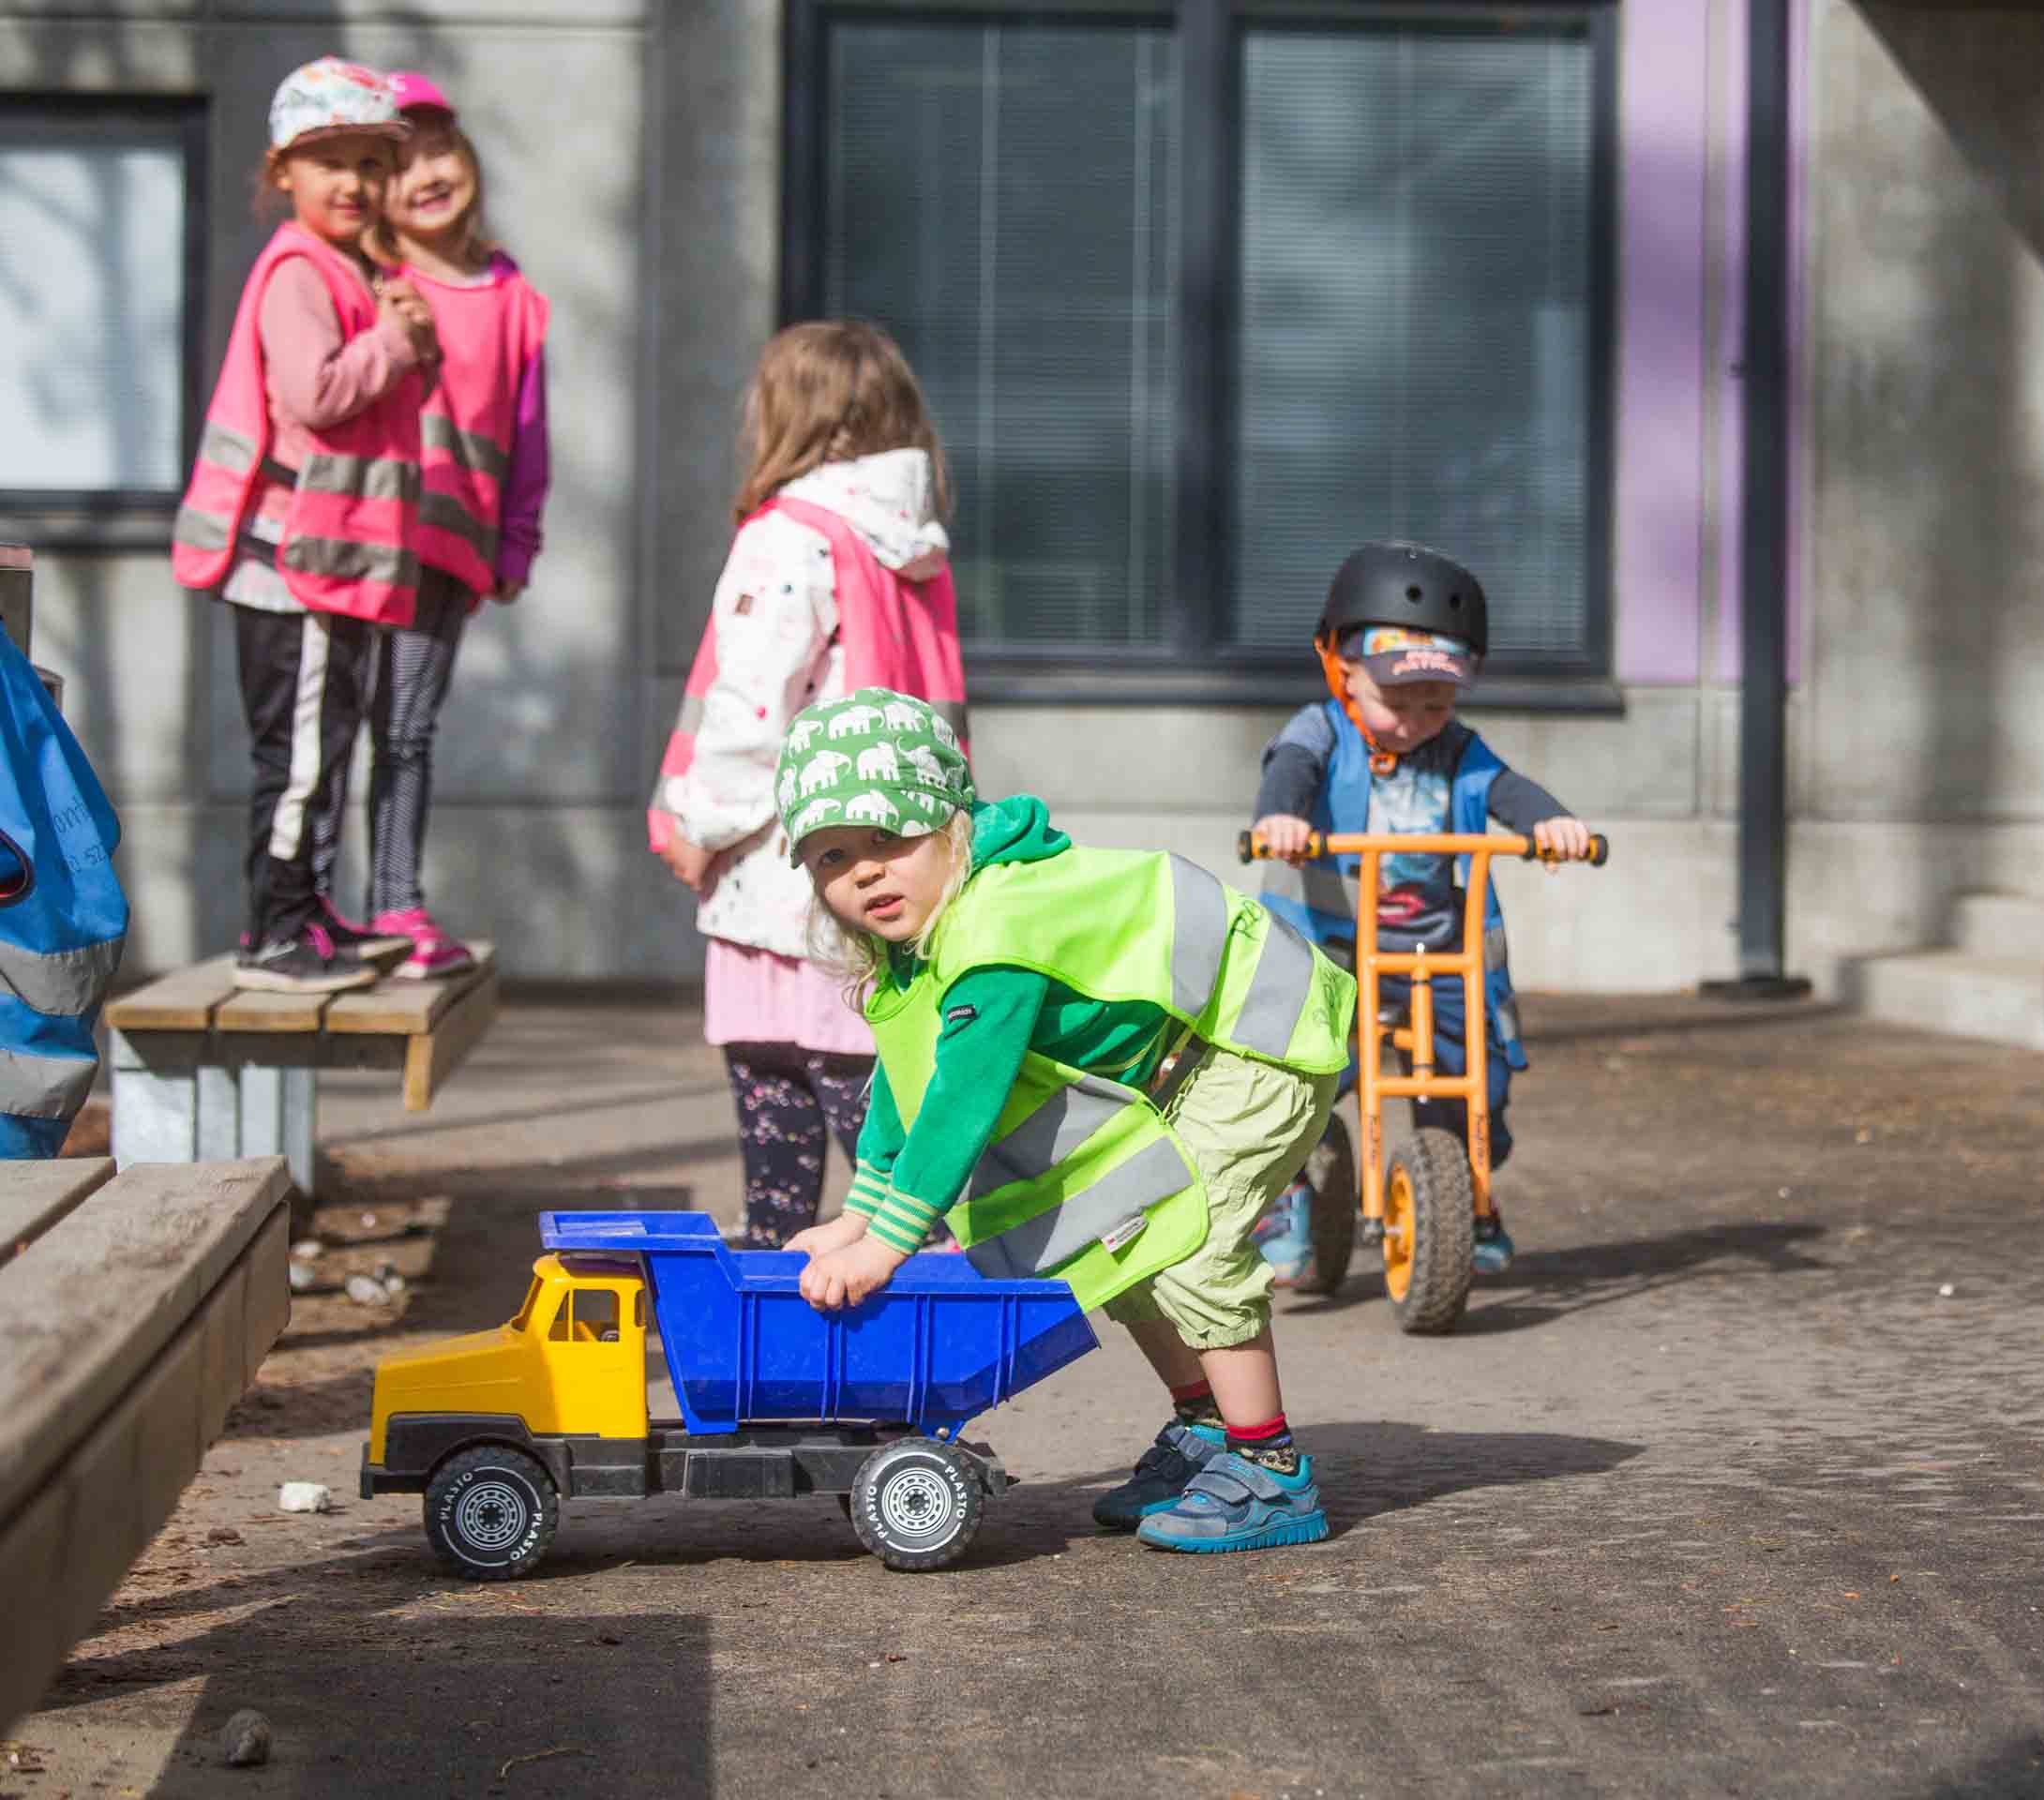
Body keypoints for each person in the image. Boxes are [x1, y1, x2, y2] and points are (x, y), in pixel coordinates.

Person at [778, 691, 1357, 1552]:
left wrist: (888, 1244)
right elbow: (905, 1094)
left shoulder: (992, 933)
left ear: (952, 828)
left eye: (888, 840)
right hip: (1180, 1062)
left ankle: (1269, 1471)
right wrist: (856, 1217)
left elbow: (960, 1104)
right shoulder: (913, 954)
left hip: (1254, 1037)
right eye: (833, 856)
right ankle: (1204, 1430)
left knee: (1191, 1243)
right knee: (1116, 1243)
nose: (865, 871)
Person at [650, 322, 959, 1249]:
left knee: (785, 1098)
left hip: (778, 874)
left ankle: (796, 1305)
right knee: (874, 1094)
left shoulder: (787, 540)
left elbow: (752, 712)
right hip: (884, 871)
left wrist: (696, 822)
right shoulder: (908, 544)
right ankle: (891, 1295)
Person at [1249, 540, 1591, 1282]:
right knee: (1288, 1074)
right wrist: (1281, 819)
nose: (1415, 721)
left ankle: (1466, 1194)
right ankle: (1279, 1199)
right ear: (1339, 667)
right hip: (1332, 949)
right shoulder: (1320, 730)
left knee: (1475, 1080)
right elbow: (1290, 771)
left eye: (1436, 703)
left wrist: (1552, 823)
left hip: (1439, 950)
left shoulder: (1458, 749)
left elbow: (1510, 792)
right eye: (1396, 701)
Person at [173, 56, 435, 994]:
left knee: (329, 753)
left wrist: (406, 337)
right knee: (296, 759)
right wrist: (394, 343)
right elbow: (316, 395)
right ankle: (274, 931)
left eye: (372, 163)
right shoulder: (296, 270)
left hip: (336, 562)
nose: (357, 183)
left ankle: (312, 915)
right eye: (332, 163)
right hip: (293, 564)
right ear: (284, 170)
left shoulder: (357, 270)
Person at [301, 71, 551, 979]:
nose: (425, 176)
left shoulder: (513, 294)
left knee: (405, 732)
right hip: (362, 540)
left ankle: (396, 903)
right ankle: (312, 906)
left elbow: (528, 432)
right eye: (399, 162)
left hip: (452, 552)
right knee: (332, 725)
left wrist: (515, 540)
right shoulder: (374, 282)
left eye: (439, 151)